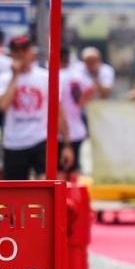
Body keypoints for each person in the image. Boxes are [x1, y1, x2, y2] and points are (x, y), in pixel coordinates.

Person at [0, 35, 52, 180]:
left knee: (45, 182)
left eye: (24, 49)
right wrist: (15, 76)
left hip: (40, 138)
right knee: (14, 190)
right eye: (16, 50)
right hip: (14, 141)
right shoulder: (3, 78)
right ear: (11, 53)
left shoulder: (44, 77)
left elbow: (58, 109)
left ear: (31, 52)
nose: (21, 54)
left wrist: (67, 142)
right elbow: (3, 106)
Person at [56, 49, 97, 179]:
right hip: (77, 128)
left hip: (61, 130)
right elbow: (91, 91)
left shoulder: (57, 77)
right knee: (74, 170)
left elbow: (58, 104)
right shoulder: (78, 76)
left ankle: (61, 198)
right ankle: (72, 197)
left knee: (60, 170)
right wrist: (78, 104)